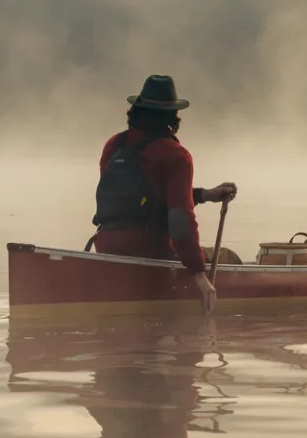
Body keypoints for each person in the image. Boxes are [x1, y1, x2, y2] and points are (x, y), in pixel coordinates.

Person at [92, 74, 237, 313]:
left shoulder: (114, 145)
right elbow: (179, 219)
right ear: (172, 116)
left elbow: (142, 196)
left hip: (107, 245)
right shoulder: (175, 155)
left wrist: (204, 195)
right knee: (227, 257)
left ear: (136, 110)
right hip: (150, 249)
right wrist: (199, 274)